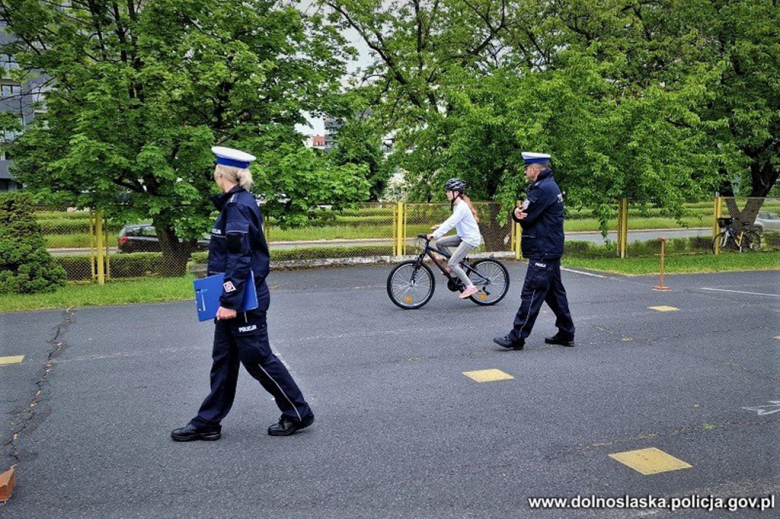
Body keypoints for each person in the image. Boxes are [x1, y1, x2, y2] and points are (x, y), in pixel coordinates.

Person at [172, 147, 314, 442]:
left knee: (258, 359)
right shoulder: (235, 203)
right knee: (223, 361)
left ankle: (297, 412)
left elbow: (240, 258)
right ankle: (208, 422)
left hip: (243, 301)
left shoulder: (237, 206)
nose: (213, 175)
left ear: (220, 174)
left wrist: (228, 301)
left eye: (214, 171)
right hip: (236, 298)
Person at [493, 152, 575, 350]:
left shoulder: (541, 189)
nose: (525, 171)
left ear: (534, 169)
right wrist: (517, 213)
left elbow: (526, 217)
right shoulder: (549, 186)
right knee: (555, 294)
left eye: (526, 168)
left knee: (531, 291)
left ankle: (517, 337)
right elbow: (524, 213)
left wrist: (517, 214)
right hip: (550, 248)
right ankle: (566, 332)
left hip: (543, 250)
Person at [427, 178, 483, 300]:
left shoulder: (462, 206)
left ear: (456, 192)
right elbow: (453, 220)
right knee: (440, 243)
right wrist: (440, 226)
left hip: (470, 239)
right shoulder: (456, 206)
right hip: (463, 236)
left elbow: (452, 222)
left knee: (452, 263)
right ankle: (455, 266)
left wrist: (435, 234)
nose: (447, 193)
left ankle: (470, 286)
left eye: (449, 191)